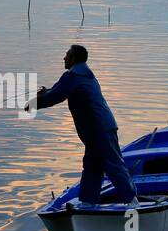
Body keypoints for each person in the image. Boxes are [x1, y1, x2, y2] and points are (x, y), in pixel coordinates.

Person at [31, 44, 136, 206]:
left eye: (66, 55)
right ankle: (88, 201)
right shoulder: (84, 75)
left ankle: (131, 201)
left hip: (99, 129)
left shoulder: (72, 76)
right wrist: (44, 92)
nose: (64, 58)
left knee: (113, 165)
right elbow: (56, 90)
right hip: (99, 129)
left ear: (73, 58)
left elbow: (55, 96)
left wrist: (32, 104)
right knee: (92, 166)